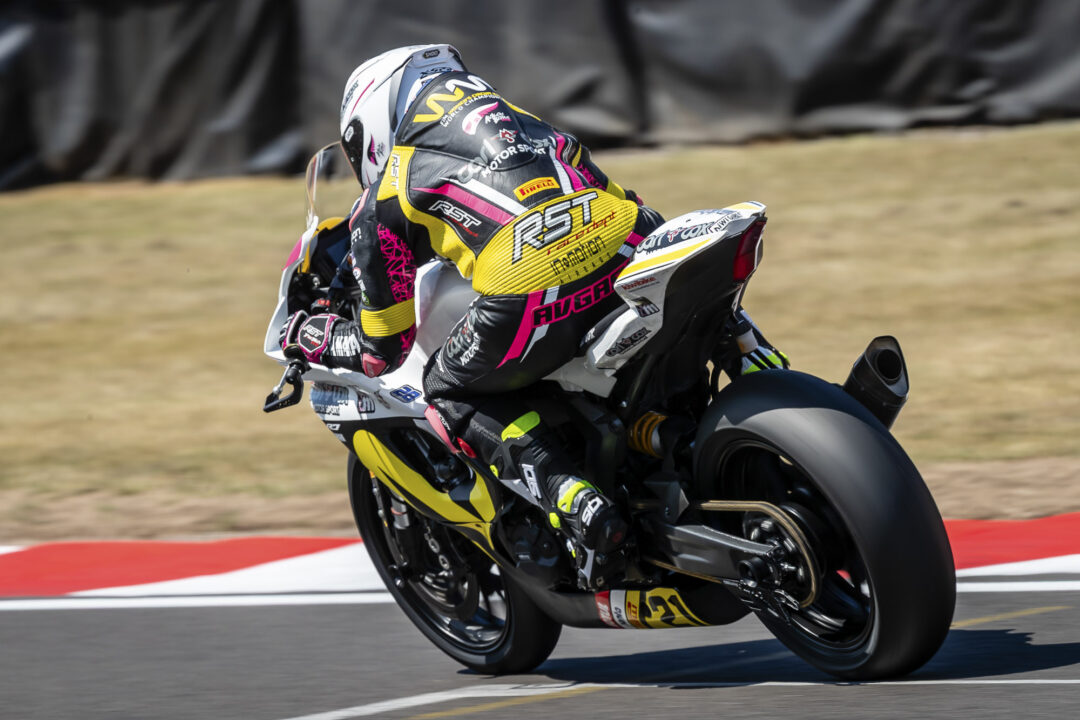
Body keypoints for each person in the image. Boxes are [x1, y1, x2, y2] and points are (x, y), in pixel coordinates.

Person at [281, 44, 781, 588]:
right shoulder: (528, 125)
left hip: (531, 292)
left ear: (372, 123)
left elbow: (384, 349)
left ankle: (575, 500)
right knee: (698, 299)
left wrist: (312, 337)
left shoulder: (390, 187)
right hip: (627, 248)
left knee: (446, 392)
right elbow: (627, 199)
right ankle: (770, 373)